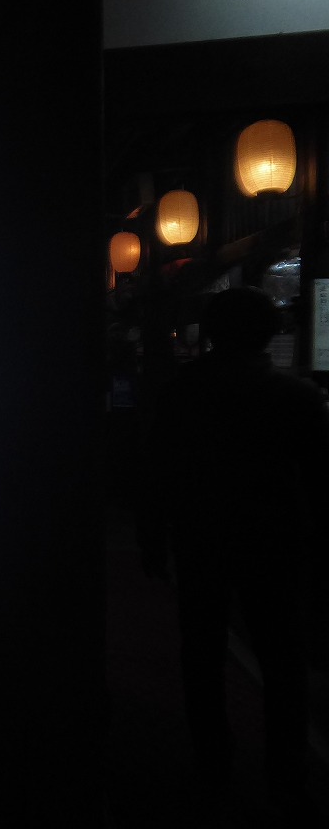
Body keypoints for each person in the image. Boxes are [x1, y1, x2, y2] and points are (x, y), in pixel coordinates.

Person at [142, 285, 328, 820]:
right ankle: (286, 777)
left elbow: (155, 472)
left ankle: (212, 763)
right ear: (269, 333)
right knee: (283, 661)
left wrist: (153, 537)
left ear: (211, 333)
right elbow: (320, 485)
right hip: (275, 543)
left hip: (201, 538)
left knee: (202, 653)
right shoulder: (296, 398)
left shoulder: (180, 393)